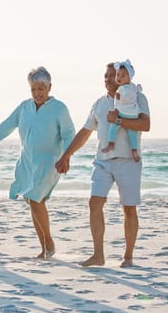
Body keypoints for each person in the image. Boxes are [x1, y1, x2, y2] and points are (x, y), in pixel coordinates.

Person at [55, 63, 150, 268]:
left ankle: (128, 257)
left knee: (129, 209)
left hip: (129, 162)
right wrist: (66, 155)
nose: (108, 79)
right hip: (103, 162)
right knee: (95, 203)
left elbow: (145, 125)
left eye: (112, 75)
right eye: (105, 76)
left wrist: (119, 121)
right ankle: (98, 255)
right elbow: (85, 132)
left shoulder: (137, 97)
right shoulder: (99, 103)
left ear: (122, 77)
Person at [0, 67, 75, 259]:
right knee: (32, 201)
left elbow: (70, 134)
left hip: (50, 162)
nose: (37, 93)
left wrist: (66, 158)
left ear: (49, 87)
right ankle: (45, 246)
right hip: (28, 161)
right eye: (33, 89)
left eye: (41, 88)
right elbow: (6, 126)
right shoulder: (24, 107)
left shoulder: (59, 108)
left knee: (36, 199)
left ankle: (49, 245)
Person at [101, 59, 142, 162]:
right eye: (118, 75)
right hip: (132, 114)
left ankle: (111, 143)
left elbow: (128, 96)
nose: (119, 78)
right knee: (132, 134)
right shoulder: (132, 87)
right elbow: (137, 91)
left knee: (113, 128)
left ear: (129, 77)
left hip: (124, 113)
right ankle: (134, 151)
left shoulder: (124, 89)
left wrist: (119, 96)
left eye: (122, 76)